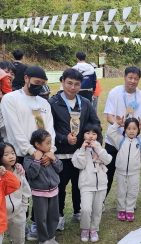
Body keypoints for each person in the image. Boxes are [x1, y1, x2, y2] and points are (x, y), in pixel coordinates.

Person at [1, 65, 55, 240]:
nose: (39, 86)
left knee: (41, 193)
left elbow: (50, 129)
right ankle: (17, 228)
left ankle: (36, 225)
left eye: (42, 84)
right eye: (36, 83)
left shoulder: (44, 103)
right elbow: (14, 129)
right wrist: (32, 151)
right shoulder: (10, 99)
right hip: (21, 155)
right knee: (20, 194)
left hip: (44, 157)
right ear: (26, 78)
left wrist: (49, 151)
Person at [48, 68, 101, 227]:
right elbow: (48, 128)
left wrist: (88, 136)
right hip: (61, 155)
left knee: (80, 184)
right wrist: (64, 138)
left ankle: (78, 212)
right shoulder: (52, 103)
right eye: (69, 83)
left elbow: (95, 123)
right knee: (60, 187)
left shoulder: (85, 103)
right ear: (62, 82)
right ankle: (59, 216)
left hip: (81, 153)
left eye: (76, 84)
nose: (72, 87)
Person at [104, 66, 141, 199]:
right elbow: (109, 116)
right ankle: (101, 202)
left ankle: (129, 203)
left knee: (130, 174)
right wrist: (118, 123)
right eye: (130, 77)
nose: (132, 81)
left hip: (131, 142)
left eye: (136, 78)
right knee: (108, 172)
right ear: (124, 77)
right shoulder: (114, 93)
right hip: (114, 140)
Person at [107, 116, 141, 221]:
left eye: (134, 128)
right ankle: (121, 210)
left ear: (138, 129)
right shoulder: (120, 140)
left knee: (132, 192)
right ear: (125, 130)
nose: (131, 131)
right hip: (121, 172)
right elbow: (109, 134)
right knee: (121, 191)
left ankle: (129, 210)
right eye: (129, 128)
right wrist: (117, 124)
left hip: (134, 173)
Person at [0, 142, 35, 244]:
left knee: (19, 235)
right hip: (0, 215)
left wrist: (23, 208)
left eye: (12, 153)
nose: (11, 156)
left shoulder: (18, 170)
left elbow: (25, 190)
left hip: (17, 212)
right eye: (6, 154)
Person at [23, 129, 63, 244]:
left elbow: (60, 168)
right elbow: (32, 174)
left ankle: (51, 237)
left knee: (53, 215)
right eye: (47, 143)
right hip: (39, 193)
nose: (50, 146)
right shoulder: (29, 159)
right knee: (41, 218)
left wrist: (54, 159)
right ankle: (43, 240)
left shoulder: (50, 155)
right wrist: (36, 161)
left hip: (54, 191)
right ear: (37, 145)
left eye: (51, 142)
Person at [71, 124, 112, 242]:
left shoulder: (101, 149)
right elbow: (79, 164)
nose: (90, 136)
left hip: (101, 185)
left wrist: (98, 149)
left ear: (98, 136)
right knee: (85, 209)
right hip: (86, 185)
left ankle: (94, 229)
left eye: (94, 134)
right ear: (83, 135)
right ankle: (85, 229)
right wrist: (83, 149)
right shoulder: (79, 151)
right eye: (88, 133)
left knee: (97, 209)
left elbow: (108, 160)